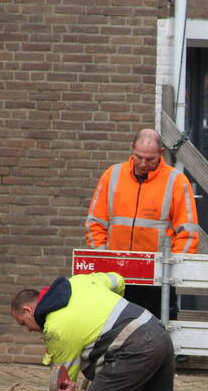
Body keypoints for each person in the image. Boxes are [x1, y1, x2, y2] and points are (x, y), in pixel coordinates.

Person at [83, 128, 200, 320]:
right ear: (132, 149)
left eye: (150, 159)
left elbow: (187, 232)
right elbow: (95, 223)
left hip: (157, 279)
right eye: (139, 157)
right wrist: (103, 259)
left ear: (161, 153)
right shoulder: (112, 175)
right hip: (116, 275)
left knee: (156, 334)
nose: (143, 163)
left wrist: (172, 270)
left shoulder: (176, 181)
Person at [10, 271, 174, 391]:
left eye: (23, 323)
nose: (28, 330)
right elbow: (117, 280)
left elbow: (64, 382)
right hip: (159, 332)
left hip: (136, 349)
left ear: (28, 310)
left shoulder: (56, 328)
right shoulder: (80, 282)